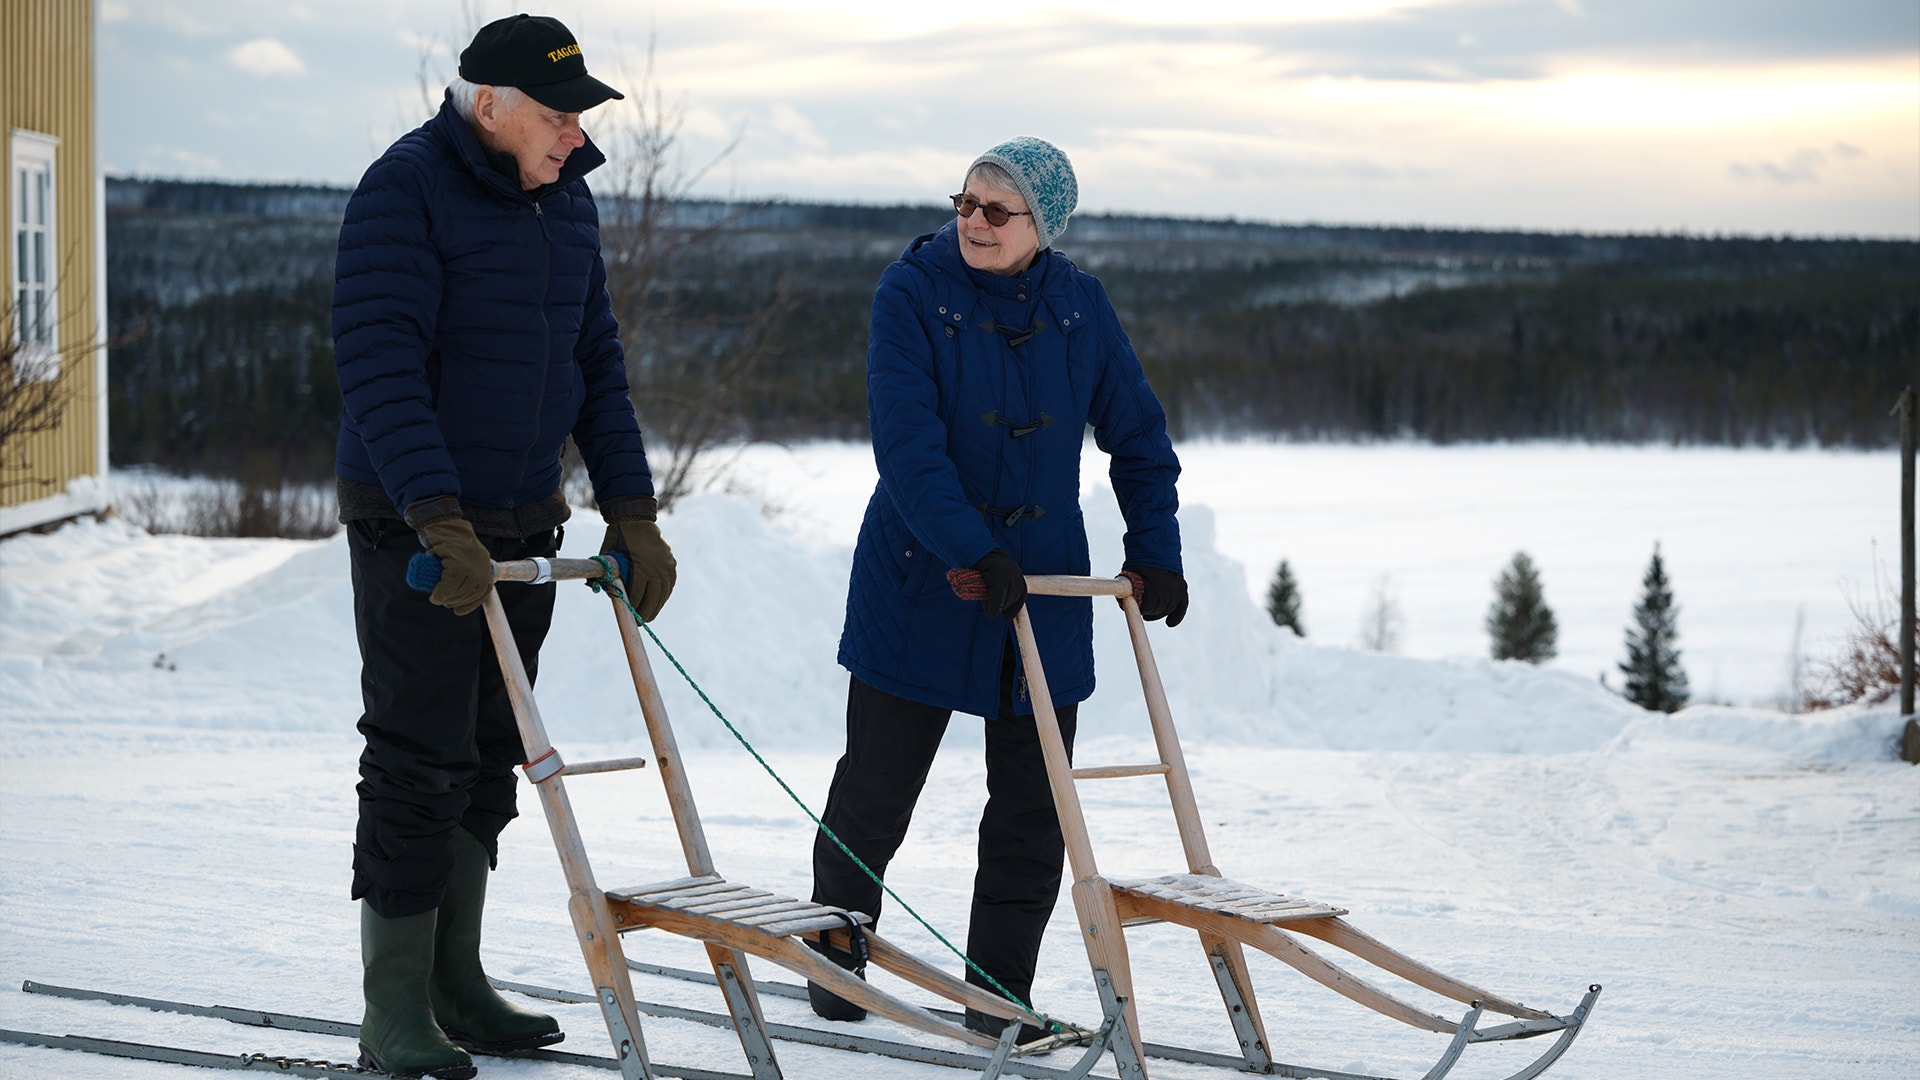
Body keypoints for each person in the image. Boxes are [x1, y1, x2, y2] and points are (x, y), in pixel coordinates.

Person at [330, 15, 676, 1079]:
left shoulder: (563, 202)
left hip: (525, 522)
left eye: (579, 113)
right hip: (420, 532)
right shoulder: (405, 189)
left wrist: (631, 507)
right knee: (415, 759)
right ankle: (393, 1008)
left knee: (489, 755)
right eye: (559, 114)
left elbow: (595, 361)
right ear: (490, 104)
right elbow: (378, 362)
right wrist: (436, 513)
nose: (575, 134)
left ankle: (455, 980)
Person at [810, 137, 1188, 1041]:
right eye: (965, 203)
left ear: (1042, 226)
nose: (973, 222)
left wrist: (1157, 548)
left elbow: (1137, 432)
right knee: (877, 787)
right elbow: (907, 445)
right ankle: (833, 964)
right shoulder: (910, 293)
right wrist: (974, 547)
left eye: (997, 210)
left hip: (1045, 584)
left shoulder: (1079, 305)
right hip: (925, 575)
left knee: (1034, 808)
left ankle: (997, 1000)